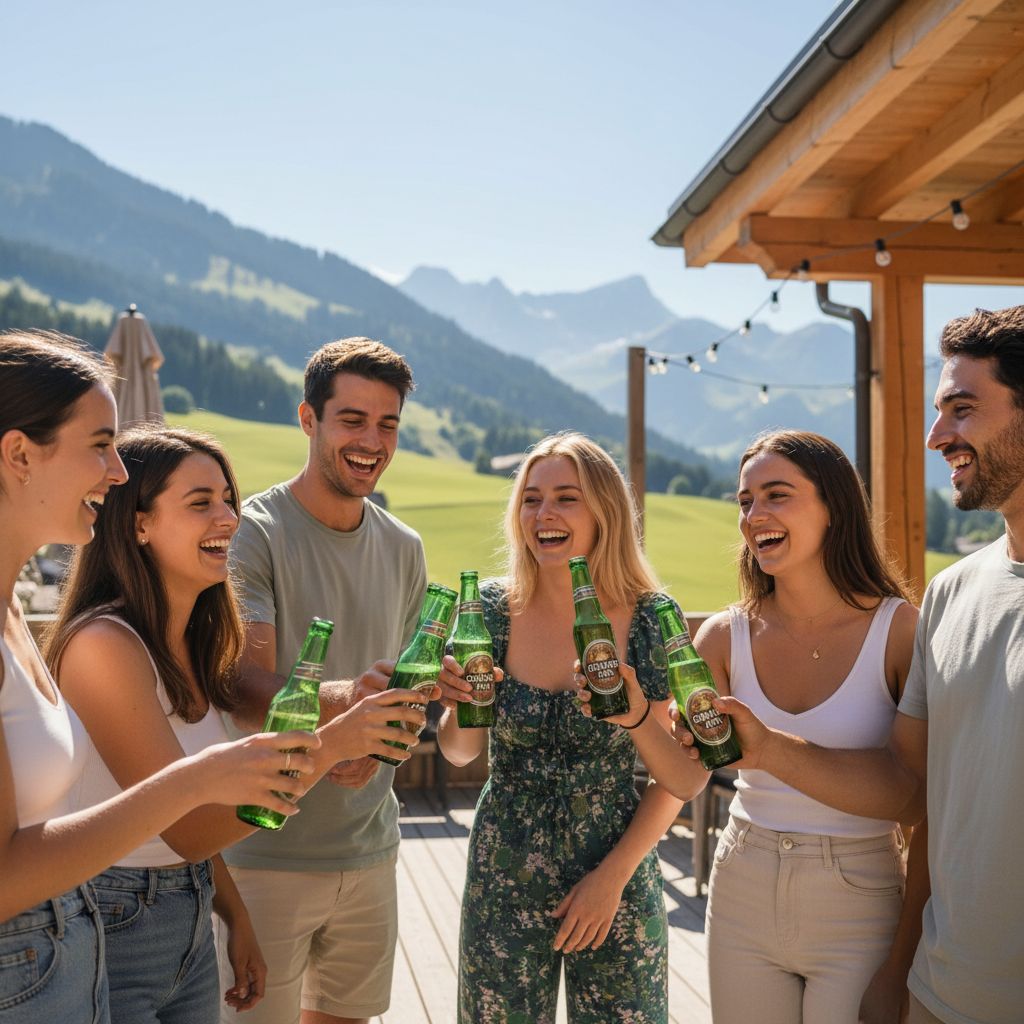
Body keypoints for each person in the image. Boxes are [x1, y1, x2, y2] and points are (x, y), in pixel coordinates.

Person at [45, 425, 427, 1024]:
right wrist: (333, 743)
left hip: (189, 911)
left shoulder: (192, 645)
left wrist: (233, 915)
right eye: (201, 504)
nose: (228, 518)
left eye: (229, 500)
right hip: (113, 920)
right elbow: (186, 825)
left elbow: (193, 817)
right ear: (139, 524)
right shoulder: (103, 646)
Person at [714, 306, 1024, 1024]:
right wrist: (904, 967)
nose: (936, 434)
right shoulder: (952, 596)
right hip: (946, 989)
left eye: (963, 409)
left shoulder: (900, 625)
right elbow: (931, 811)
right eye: (940, 409)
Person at [0, 329, 320, 1024]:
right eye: (100, 445)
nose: (117, 472)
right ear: (20, 454)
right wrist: (203, 779)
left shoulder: (16, 621)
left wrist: (224, 905)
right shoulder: (99, 641)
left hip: (82, 942)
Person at [580, 429, 923, 1024]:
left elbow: (909, 797)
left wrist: (768, 749)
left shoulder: (899, 631)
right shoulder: (721, 636)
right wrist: (635, 715)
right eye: (745, 501)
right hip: (741, 881)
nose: (753, 515)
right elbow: (685, 780)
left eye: (776, 495)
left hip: (859, 894)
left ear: (834, 507)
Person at [438, 431, 698, 1024]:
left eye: (565, 498)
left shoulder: (653, 618)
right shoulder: (490, 612)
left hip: (616, 858)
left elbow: (681, 778)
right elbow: (458, 754)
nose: (544, 514)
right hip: (505, 863)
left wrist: (612, 877)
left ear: (604, 511)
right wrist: (455, 708)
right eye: (531, 499)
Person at [220, 337, 429, 1024]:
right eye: (352, 419)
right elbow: (246, 682)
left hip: (370, 846)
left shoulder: (404, 547)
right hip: (262, 851)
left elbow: (400, 687)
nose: (372, 440)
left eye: (388, 423)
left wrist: (382, 739)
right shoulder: (254, 532)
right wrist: (343, 714)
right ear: (308, 420)